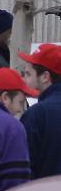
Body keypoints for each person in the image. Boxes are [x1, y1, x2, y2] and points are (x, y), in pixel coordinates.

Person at [19, 43, 61, 178]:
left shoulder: (37, 114)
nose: (24, 80)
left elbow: (23, 167)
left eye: (28, 74)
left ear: (45, 77)